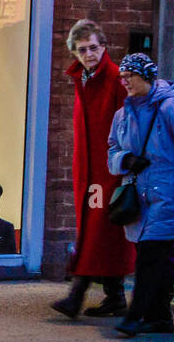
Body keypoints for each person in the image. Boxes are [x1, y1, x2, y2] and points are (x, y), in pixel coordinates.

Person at [106, 53, 174, 336]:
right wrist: (125, 161)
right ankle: (160, 318)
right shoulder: (123, 115)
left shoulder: (169, 108)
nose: (125, 81)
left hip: (168, 200)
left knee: (148, 260)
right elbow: (112, 150)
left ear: (147, 76)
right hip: (140, 202)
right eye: (123, 76)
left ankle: (134, 316)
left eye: (131, 76)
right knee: (156, 261)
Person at [51, 20, 136, 318]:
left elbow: (128, 126)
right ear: (75, 53)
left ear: (104, 47)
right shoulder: (84, 79)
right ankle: (115, 297)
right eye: (82, 49)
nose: (89, 54)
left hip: (107, 173)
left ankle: (77, 295)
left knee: (96, 231)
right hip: (88, 171)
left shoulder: (114, 79)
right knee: (100, 233)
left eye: (94, 48)